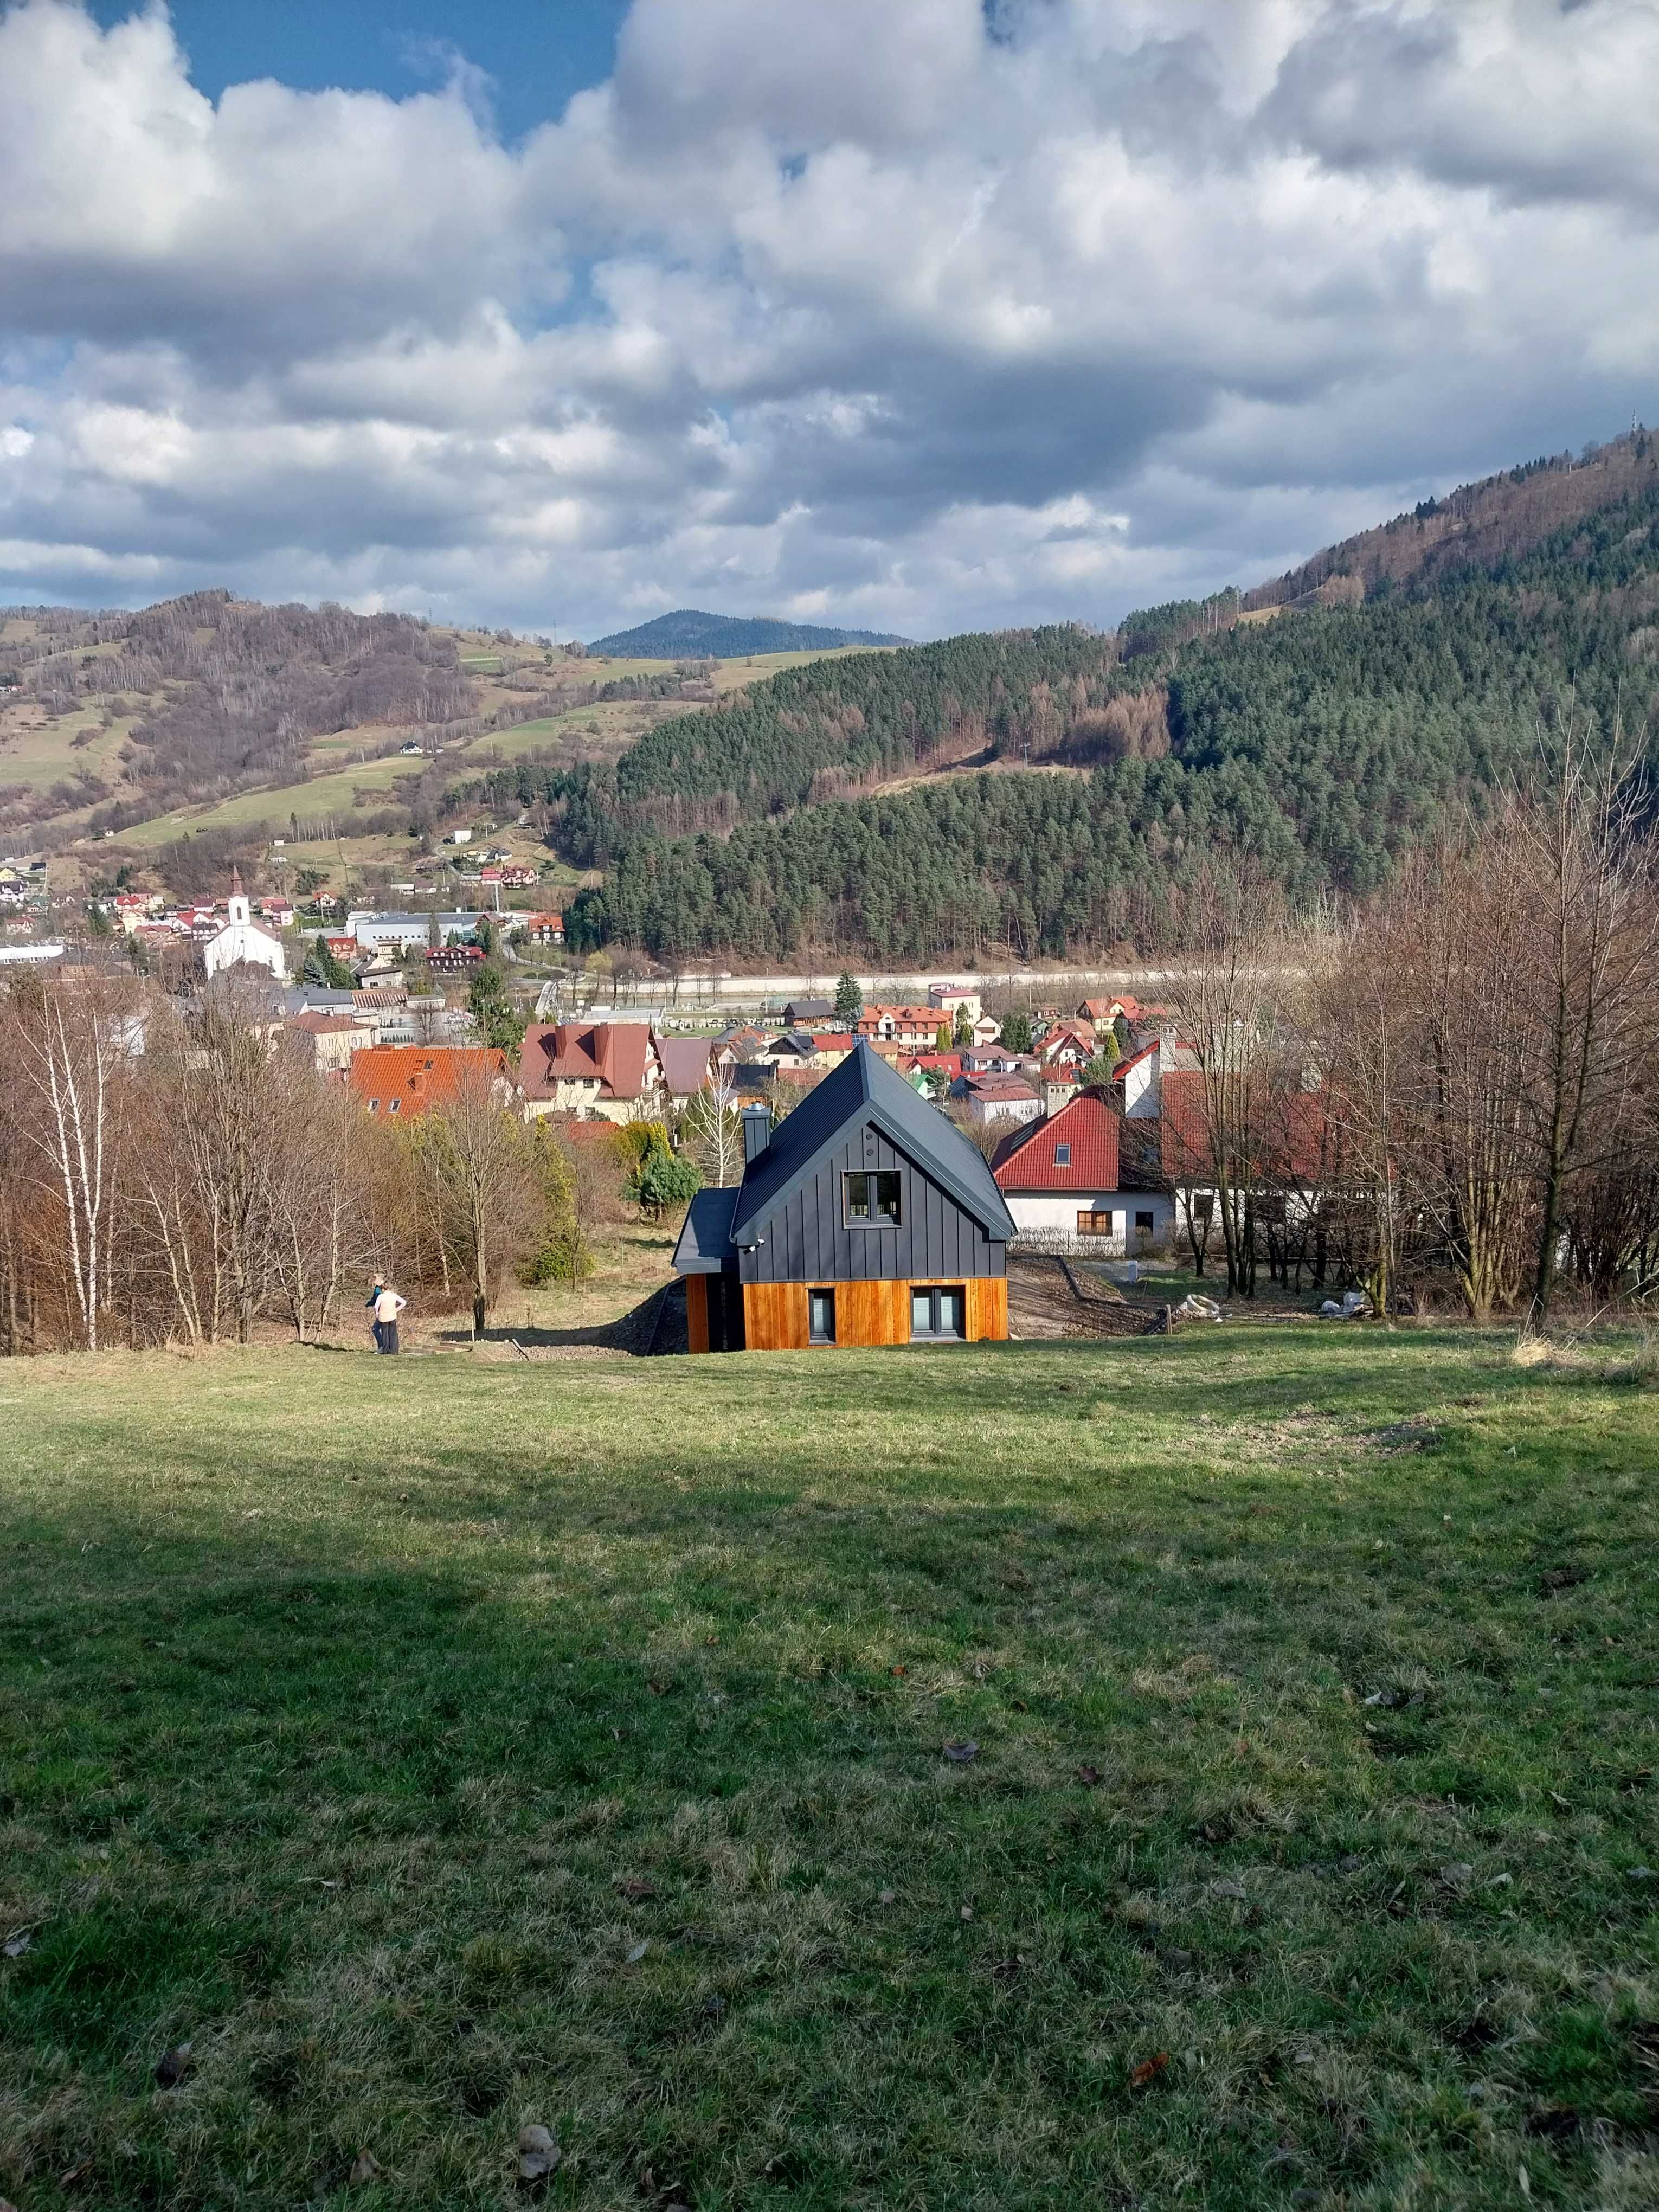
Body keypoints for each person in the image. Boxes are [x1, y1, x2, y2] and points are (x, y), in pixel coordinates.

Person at [372, 1277, 407, 1354]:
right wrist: (397, 1310)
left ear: (383, 1289)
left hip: (383, 1317)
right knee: (393, 1333)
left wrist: (377, 1314)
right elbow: (404, 1303)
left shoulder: (381, 1297)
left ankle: (386, 1350)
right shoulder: (394, 1295)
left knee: (385, 1334)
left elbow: (376, 1307)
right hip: (392, 1316)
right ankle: (394, 1350)